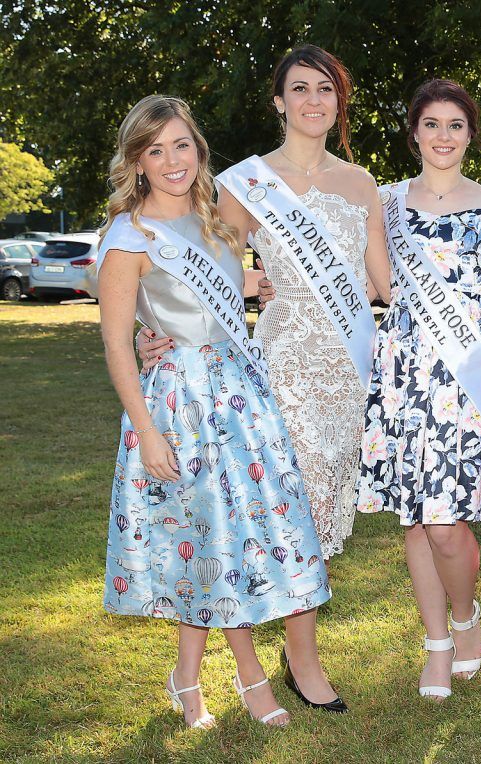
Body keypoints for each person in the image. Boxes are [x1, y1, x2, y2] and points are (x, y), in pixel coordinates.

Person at [142, 44, 390, 712]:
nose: (314, 100)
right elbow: (199, 270)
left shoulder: (361, 183)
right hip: (275, 368)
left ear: (339, 102)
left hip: (344, 371)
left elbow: (383, 283)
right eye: (300, 89)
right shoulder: (246, 182)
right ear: (279, 101)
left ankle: (289, 650)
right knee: (280, 513)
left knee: (324, 511)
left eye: (326, 90)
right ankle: (300, 664)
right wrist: (150, 326)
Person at [99, 95, 332, 729]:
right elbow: (119, 342)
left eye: (181, 145)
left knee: (221, 534)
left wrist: (255, 287)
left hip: (240, 398)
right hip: (178, 405)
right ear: (138, 162)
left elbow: (227, 299)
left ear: (198, 150)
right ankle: (251, 676)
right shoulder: (129, 239)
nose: (172, 160)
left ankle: (186, 675)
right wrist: (146, 432)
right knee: (208, 531)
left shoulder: (216, 223)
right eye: (155, 150)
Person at [355, 79, 481, 701]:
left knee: (447, 524)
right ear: (414, 131)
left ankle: (466, 615)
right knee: (417, 522)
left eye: (455, 125)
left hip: (470, 371)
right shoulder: (383, 201)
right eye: (431, 124)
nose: (443, 136)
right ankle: (438, 643)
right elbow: (368, 279)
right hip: (406, 371)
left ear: (470, 134)